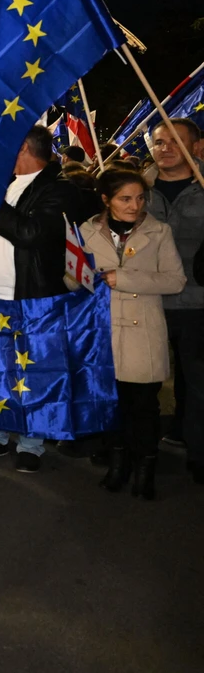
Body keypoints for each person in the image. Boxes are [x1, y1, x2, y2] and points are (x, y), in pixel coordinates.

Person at [0, 126, 83, 472]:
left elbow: (30, 234)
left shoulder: (59, 189)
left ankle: (32, 443)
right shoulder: (0, 185)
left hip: (34, 300)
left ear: (24, 149)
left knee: (33, 374)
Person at [73, 169, 185, 500]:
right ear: (106, 200)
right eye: (125, 198)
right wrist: (85, 278)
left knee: (144, 407)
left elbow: (174, 281)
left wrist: (122, 278)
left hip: (143, 333)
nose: (135, 205)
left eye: (140, 198)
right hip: (103, 333)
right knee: (112, 406)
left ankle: (145, 470)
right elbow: (70, 278)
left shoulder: (159, 232)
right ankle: (118, 464)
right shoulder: (85, 231)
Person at [143, 118, 204, 482]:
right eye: (158, 141)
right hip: (146, 301)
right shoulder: (139, 188)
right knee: (142, 380)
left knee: (196, 380)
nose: (164, 148)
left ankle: (198, 451)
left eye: (173, 142)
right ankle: (140, 449)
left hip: (196, 303)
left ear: (196, 147)